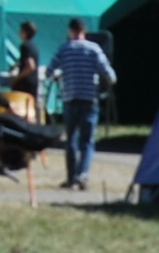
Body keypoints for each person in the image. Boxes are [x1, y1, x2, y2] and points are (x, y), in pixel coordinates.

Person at [49, 16, 117, 190]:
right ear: (84, 31)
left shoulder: (64, 49)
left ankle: (71, 177)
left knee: (71, 139)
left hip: (70, 98)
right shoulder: (94, 49)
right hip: (89, 99)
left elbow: (50, 71)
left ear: (70, 31)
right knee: (87, 141)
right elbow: (110, 75)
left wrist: (59, 75)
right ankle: (83, 175)